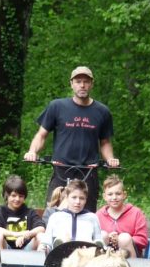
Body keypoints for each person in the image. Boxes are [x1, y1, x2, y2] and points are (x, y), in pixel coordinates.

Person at [24, 65, 119, 213]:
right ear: (71, 84)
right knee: (53, 212)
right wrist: (32, 152)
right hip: (61, 169)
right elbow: (41, 135)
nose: (82, 85)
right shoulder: (57, 106)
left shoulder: (102, 111)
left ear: (91, 84)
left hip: (88, 171)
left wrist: (110, 159)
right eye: (78, 81)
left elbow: (105, 142)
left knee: (86, 215)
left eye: (86, 82)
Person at [0, 175, 45, 264]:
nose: (17, 199)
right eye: (13, 195)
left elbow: (41, 228)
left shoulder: (30, 212)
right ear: (6, 196)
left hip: (27, 249)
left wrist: (26, 235)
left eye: (21, 196)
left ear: (24, 197)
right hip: (7, 249)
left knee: (42, 236)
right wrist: (17, 234)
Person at [38, 179, 102, 252]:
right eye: (74, 197)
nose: (77, 202)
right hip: (61, 255)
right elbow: (47, 242)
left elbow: (99, 240)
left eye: (81, 198)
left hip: (84, 255)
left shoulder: (92, 218)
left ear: (86, 200)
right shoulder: (55, 217)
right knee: (61, 239)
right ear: (67, 197)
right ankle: (60, 245)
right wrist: (44, 248)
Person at [96, 175, 149, 258]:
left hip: (130, 256)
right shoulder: (98, 215)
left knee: (124, 238)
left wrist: (121, 240)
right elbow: (91, 240)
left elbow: (143, 240)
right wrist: (109, 238)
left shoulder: (136, 213)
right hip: (107, 256)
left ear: (124, 195)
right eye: (110, 194)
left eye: (118, 194)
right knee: (102, 235)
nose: (114, 197)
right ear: (104, 196)